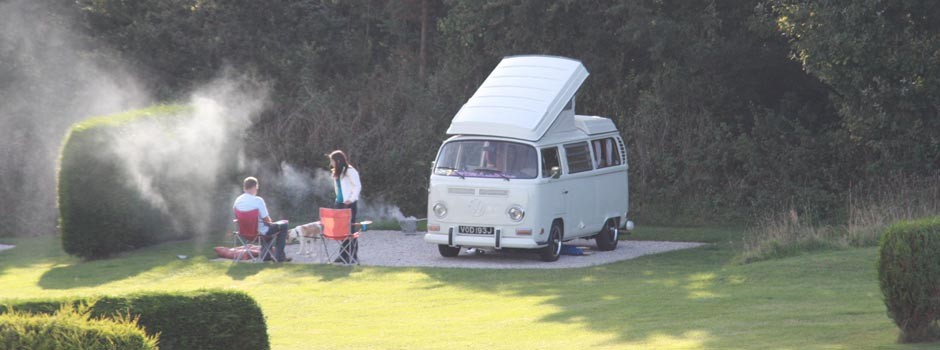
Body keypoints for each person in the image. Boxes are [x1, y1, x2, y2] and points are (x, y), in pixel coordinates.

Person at [233, 176, 291, 262]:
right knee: (283, 225)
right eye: (257, 188)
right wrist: (272, 224)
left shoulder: (237, 201)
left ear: (244, 187)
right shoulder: (258, 200)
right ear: (255, 187)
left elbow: (237, 216)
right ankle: (279, 257)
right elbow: (266, 219)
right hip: (259, 232)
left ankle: (266, 256)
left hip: (244, 233)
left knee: (267, 228)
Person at [328, 150, 361, 263]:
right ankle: (343, 255)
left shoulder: (350, 171)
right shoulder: (337, 172)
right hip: (339, 204)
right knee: (342, 231)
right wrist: (338, 200)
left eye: (332, 161)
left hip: (350, 204)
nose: (331, 164)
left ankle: (352, 256)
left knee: (350, 231)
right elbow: (339, 189)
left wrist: (350, 199)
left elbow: (357, 187)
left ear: (338, 160)